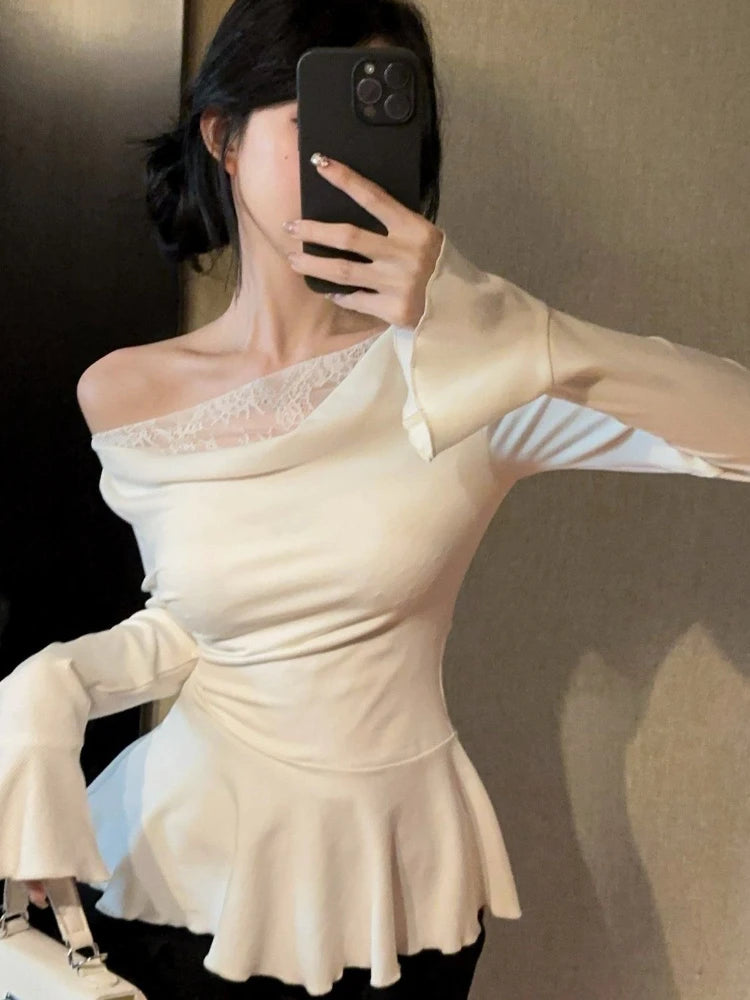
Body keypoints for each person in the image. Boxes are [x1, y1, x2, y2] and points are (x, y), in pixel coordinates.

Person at [2, 0, 749, 996]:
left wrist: (516, 328)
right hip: (167, 877)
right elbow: (206, 620)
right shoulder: (125, 389)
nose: (346, 161)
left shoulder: (472, 371)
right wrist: (52, 684)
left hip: (393, 898)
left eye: (385, 121)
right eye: (316, 119)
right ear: (224, 138)